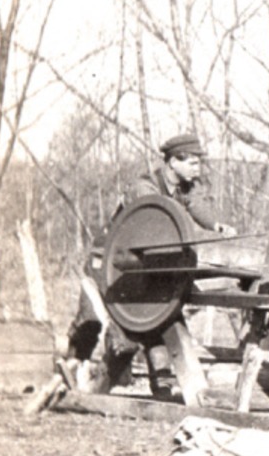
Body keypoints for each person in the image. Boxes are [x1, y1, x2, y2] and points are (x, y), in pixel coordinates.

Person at [67, 132, 235, 387]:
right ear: (172, 162)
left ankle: (157, 379)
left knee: (153, 319)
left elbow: (196, 205)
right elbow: (159, 224)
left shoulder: (184, 188)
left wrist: (217, 225)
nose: (197, 169)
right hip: (109, 261)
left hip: (140, 267)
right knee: (90, 322)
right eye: (192, 163)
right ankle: (69, 369)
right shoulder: (144, 188)